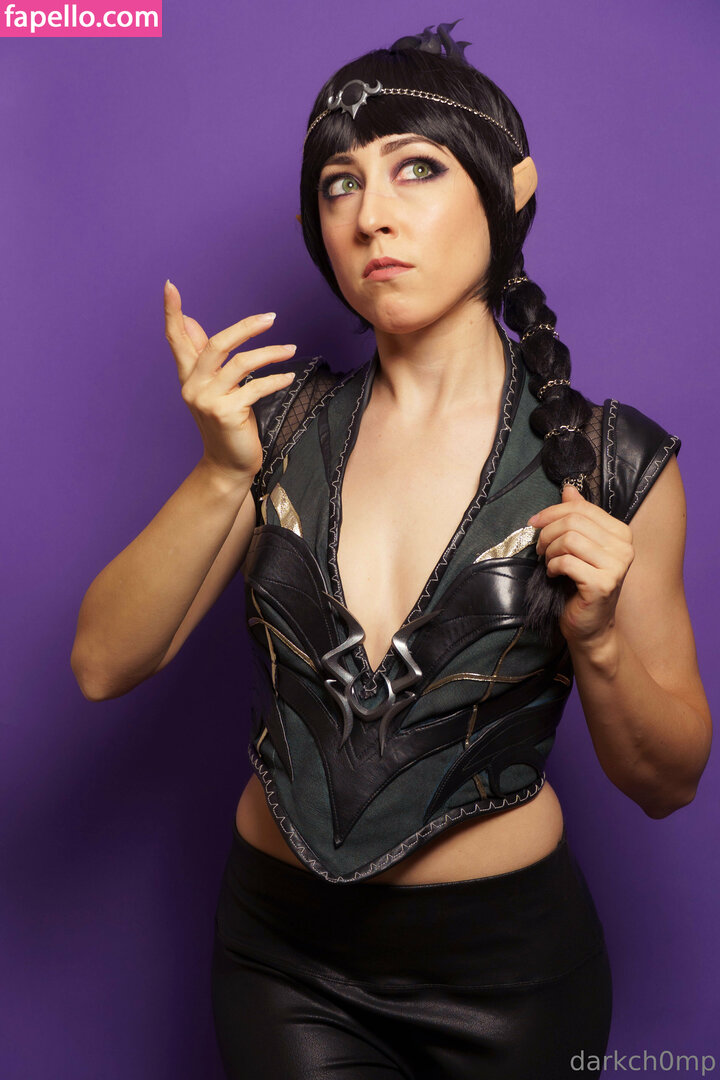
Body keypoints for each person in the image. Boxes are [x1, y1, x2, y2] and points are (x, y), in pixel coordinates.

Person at [71, 21, 712, 1080]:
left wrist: (598, 640)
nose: (373, 214)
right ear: (316, 229)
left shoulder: (610, 464)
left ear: (510, 190)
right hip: (282, 960)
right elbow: (104, 663)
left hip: (510, 973)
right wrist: (221, 473)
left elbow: (668, 781)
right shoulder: (275, 431)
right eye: (341, 185)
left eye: (418, 168)